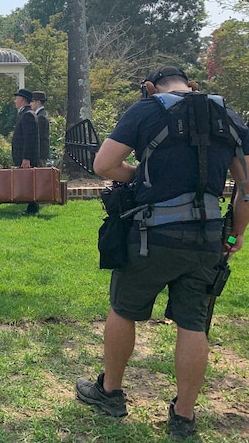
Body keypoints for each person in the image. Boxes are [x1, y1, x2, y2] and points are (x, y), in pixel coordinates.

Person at [76, 66, 249, 440]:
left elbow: (103, 165)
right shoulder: (228, 116)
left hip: (151, 238)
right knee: (193, 322)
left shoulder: (146, 110)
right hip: (207, 240)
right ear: (194, 86)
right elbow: (246, 185)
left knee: (124, 309)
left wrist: (140, 175)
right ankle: (183, 416)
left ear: (151, 87)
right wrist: (235, 236)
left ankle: (110, 393)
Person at [12, 88, 40, 215]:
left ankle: (33, 206)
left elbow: (29, 138)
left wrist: (26, 158)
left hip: (27, 156)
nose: (15, 101)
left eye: (17, 98)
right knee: (27, 180)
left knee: (29, 180)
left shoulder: (28, 115)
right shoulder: (24, 114)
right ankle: (31, 205)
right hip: (22, 155)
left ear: (22, 99)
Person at [31, 91, 50, 167]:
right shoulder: (40, 114)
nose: (30, 104)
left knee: (39, 176)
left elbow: (40, 137)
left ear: (38, 102)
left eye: (32, 101)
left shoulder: (41, 117)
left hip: (40, 154)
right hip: (40, 154)